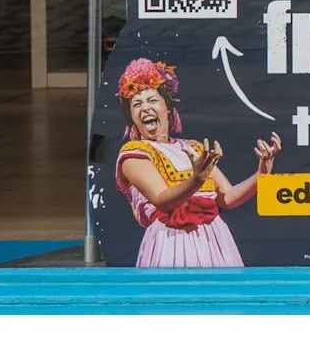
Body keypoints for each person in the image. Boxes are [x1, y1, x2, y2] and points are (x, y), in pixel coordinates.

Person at [111, 58, 280, 268]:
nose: (145, 108)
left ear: (168, 108)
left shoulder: (194, 148)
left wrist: (262, 173)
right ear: (132, 116)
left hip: (215, 241)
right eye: (137, 104)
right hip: (171, 243)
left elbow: (228, 198)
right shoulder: (133, 154)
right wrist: (197, 179)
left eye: (152, 100)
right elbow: (163, 200)